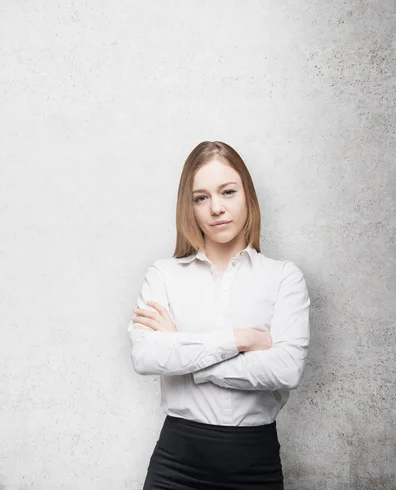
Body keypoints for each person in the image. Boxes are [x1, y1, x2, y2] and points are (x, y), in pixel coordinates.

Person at [128, 141, 311, 490]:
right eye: (201, 197)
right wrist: (242, 339)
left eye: (228, 192)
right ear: (190, 206)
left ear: (248, 197)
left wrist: (186, 356)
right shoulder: (164, 274)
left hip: (255, 466)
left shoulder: (283, 276)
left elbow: (286, 369)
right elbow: (146, 355)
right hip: (176, 465)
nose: (216, 208)